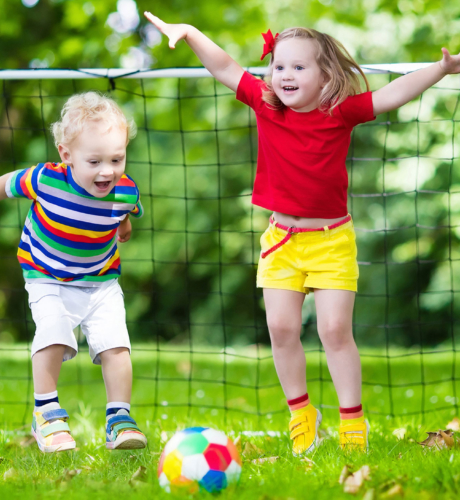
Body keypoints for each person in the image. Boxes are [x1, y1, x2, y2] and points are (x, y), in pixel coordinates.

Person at [145, 11, 460, 454]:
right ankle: (301, 414)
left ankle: (352, 423)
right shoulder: (264, 104)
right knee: (280, 327)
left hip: (332, 241)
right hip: (281, 241)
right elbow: (223, 66)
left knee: (334, 330)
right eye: (278, 66)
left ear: (325, 74)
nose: (285, 74)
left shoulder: (341, 112)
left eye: (298, 66)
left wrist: (441, 69)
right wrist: (192, 32)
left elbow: (393, 94)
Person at [0, 91, 147, 453]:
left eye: (117, 158)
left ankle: (119, 420)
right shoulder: (46, 180)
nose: (107, 170)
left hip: (100, 281)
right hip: (47, 276)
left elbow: (126, 213)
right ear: (66, 155)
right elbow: (4, 184)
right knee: (54, 332)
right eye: (94, 161)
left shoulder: (125, 190)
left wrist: (124, 227)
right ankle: (47, 413)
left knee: (116, 344)